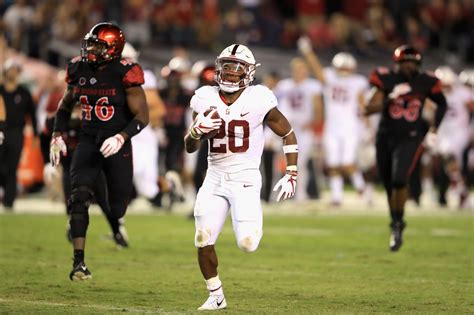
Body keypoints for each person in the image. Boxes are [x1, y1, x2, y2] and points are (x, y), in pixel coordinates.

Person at [184, 44, 298, 310]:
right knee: (202, 237)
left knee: (247, 243)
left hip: (245, 178)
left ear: (248, 73)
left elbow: (288, 133)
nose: (231, 73)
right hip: (214, 177)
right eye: (227, 67)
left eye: (237, 69)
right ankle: (216, 295)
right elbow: (189, 146)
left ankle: (252, 223)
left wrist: (291, 172)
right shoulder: (204, 97)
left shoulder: (259, 98)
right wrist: (195, 132)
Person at [49, 22, 148, 280]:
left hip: (116, 143)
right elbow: (64, 105)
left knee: (116, 209)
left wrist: (122, 136)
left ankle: (116, 225)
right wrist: (57, 134)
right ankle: (78, 262)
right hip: (88, 141)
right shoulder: (79, 68)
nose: (90, 49)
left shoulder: (126, 72)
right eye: (90, 43)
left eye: (97, 45)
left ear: (113, 48)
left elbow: (143, 116)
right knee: (78, 197)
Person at [365, 45, 447, 252]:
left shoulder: (426, 81)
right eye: (405, 62)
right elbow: (368, 108)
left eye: (413, 62)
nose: (410, 66)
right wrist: (390, 98)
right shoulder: (386, 79)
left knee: (400, 179)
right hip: (385, 138)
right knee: (388, 187)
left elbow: (442, 103)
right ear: (398, 63)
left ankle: (398, 224)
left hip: (410, 138)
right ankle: (396, 222)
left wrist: (434, 129)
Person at [298, 37, 369, 205]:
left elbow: (362, 105)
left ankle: (362, 188)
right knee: (333, 163)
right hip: (332, 127)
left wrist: (367, 126)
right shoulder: (330, 77)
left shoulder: (358, 81)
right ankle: (337, 197)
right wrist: (308, 52)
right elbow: (317, 70)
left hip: (350, 127)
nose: (344, 70)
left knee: (347, 163)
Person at [273, 57, 322, 201]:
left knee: (299, 163)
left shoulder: (312, 85)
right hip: (285, 128)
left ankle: (300, 194)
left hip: (303, 128)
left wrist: (313, 123)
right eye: (297, 69)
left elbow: (318, 108)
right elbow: (272, 105)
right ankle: (277, 192)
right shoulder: (284, 85)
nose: (299, 72)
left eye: (302, 69)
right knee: (281, 162)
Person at [0, 59, 38, 211]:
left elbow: (32, 114)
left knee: (12, 166)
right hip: (1, 131)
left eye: (15, 70)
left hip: (17, 132)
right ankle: (4, 191)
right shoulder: (0, 91)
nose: (13, 73)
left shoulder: (24, 92)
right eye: (10, 70)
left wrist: (35, 134)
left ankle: (9, 202)